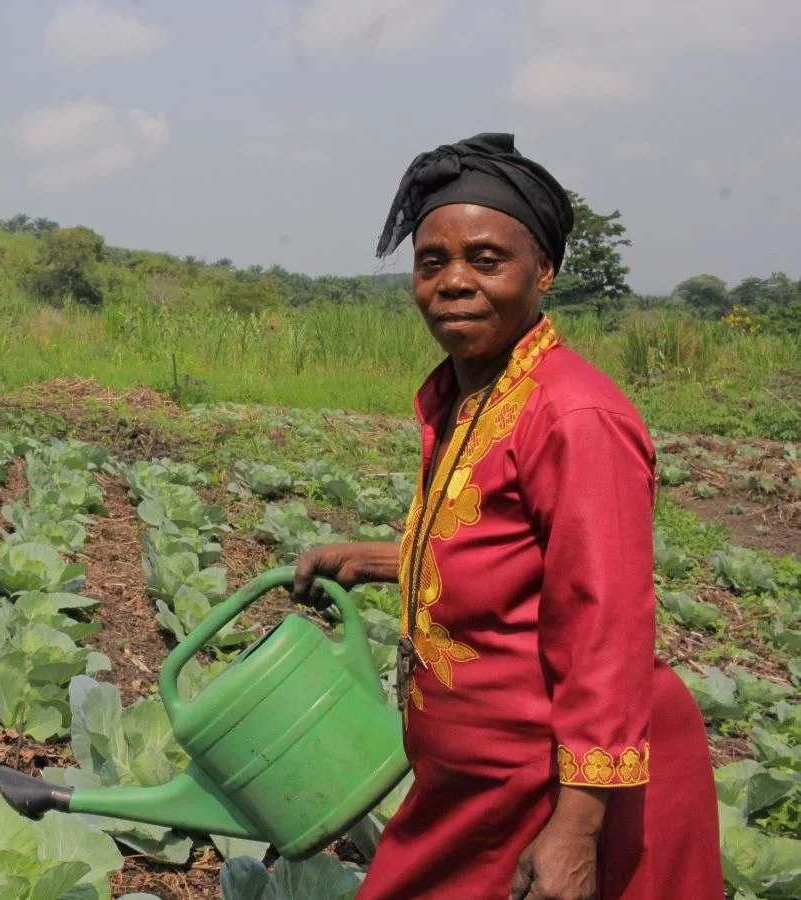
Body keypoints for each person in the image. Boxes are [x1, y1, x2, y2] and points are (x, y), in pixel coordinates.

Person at [291, 133, 722, 899]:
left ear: (543, 272)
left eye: (486, 260)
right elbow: (517, 553)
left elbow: (607, 622)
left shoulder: (575, 413)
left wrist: (578, 827)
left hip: (556, 788)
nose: (454, 282)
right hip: (476, 782)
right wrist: (385, 559)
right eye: (433, 262)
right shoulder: (473, 394)